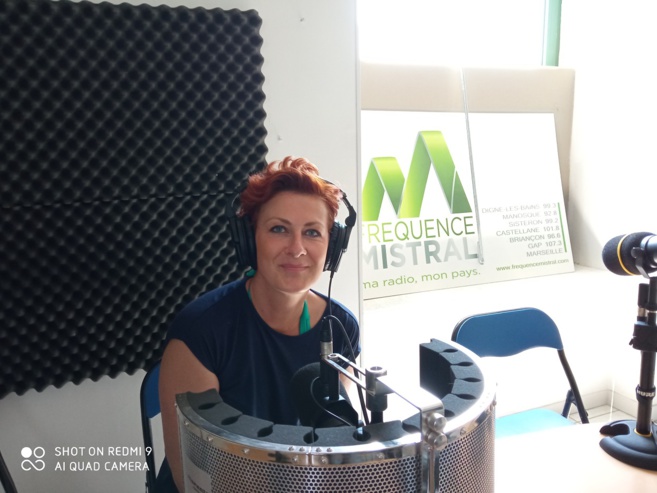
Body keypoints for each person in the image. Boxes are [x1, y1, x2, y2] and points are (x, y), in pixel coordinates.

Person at [155, 156, 360, 492]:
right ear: (250, 239)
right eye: (279, 229)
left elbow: (335, 436)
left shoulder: (341, 328)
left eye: (312, 232)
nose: (297, 249)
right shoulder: (200, 332)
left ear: (332, 246)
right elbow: (196, 474)